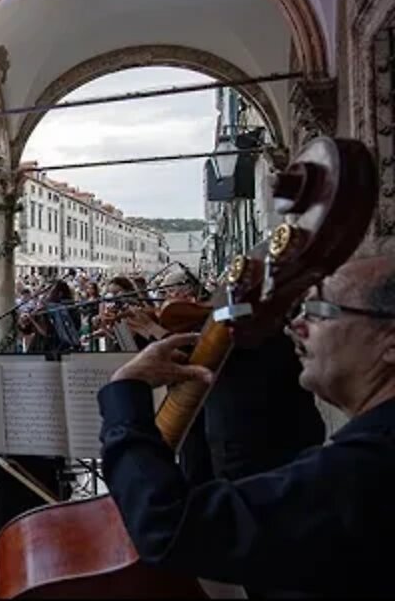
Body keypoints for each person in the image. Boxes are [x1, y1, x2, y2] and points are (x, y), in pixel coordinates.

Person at [96, 255, 395, 597]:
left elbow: (168, 528)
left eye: (321, 311)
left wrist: (124, 394)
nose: (294, 326)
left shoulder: (368, 466)